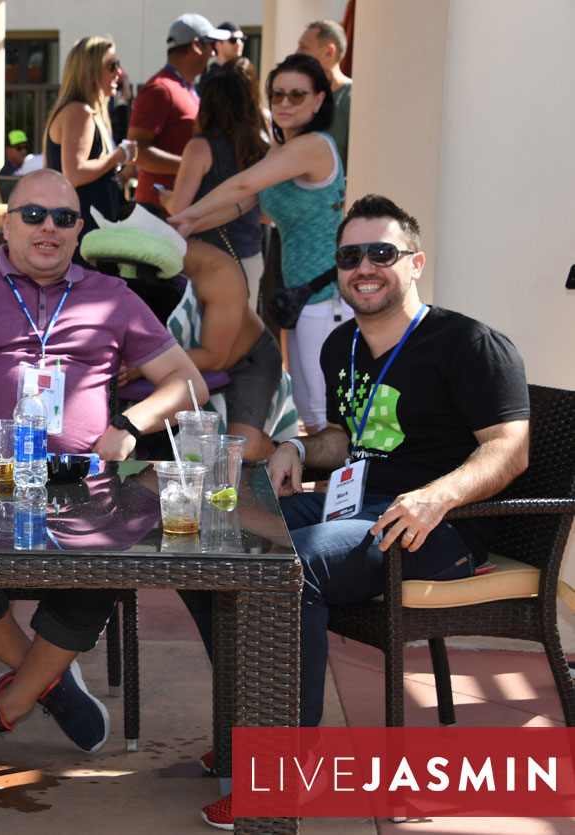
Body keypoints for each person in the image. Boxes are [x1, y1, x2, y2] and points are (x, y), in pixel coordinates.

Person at [196, 195, 530, 830]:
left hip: (438, 527)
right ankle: (255, 723)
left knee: (293, 569)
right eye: (351, 256)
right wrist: (297, 446)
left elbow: (509, 450)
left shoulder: (469, 344)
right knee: (212, 543)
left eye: (383, 253)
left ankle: (290, 769)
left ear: (416, 263)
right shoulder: (342, 344)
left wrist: (439, 495)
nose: (365, 267)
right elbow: (347, 440)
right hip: (362, 511)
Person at [0, 169, 207, 755]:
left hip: (80, 485)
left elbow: (188, 384)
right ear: (6, 224)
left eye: (63, 218)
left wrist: (131, 424)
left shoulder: (111, 296)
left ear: (79, 231)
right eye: (33, 215)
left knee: (108, 561)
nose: (48, 228)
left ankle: (11, 703)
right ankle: (52, 681)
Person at [169, 53, 345, 433]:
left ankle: (340, 492)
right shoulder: (283, 148)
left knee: (322, 416)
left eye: (297, 95)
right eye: (277, 94)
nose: (283, 103)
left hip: (326, 296)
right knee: (313, 413)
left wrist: (185, 216)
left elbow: (245, 184)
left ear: (319, 100)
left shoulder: (313, 145)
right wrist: (187, 223)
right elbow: (242, 203)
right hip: (301, 294)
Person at [162, 59, 269, 314]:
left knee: (208, 342)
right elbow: (267, 209)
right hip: (250, 255)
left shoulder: (200, 147)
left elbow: (178, 207)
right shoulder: (261, 146)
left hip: (209, 257)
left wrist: (164, 196)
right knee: (244, 342)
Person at [43, 36, 136, 259]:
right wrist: (119, 156)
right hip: (83, 236)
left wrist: (122, 174)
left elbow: (94, 178)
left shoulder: (86, 112)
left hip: (90, 233)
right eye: (112, 65)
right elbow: (75, 173)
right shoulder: (79, 112)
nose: (119, 72)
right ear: (90, 70)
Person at [127, 14, 228, 205]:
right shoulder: (160, 89)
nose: (214, 54)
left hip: (181, 215)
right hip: (160, 217)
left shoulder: (185, 88)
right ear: (196, 46)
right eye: (212, 45)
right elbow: (135, 151)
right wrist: (194, 167)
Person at [296, 19, 352, 170]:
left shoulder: (351, 99)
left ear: (329, 52)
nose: (297, 53)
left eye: (303, 47)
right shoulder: (301, 98)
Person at [195, 21, 245, 96]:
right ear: (218, 45)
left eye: (242, 39)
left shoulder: (242, 72)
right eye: (233, 40)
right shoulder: (210, 77)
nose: (239, 43)